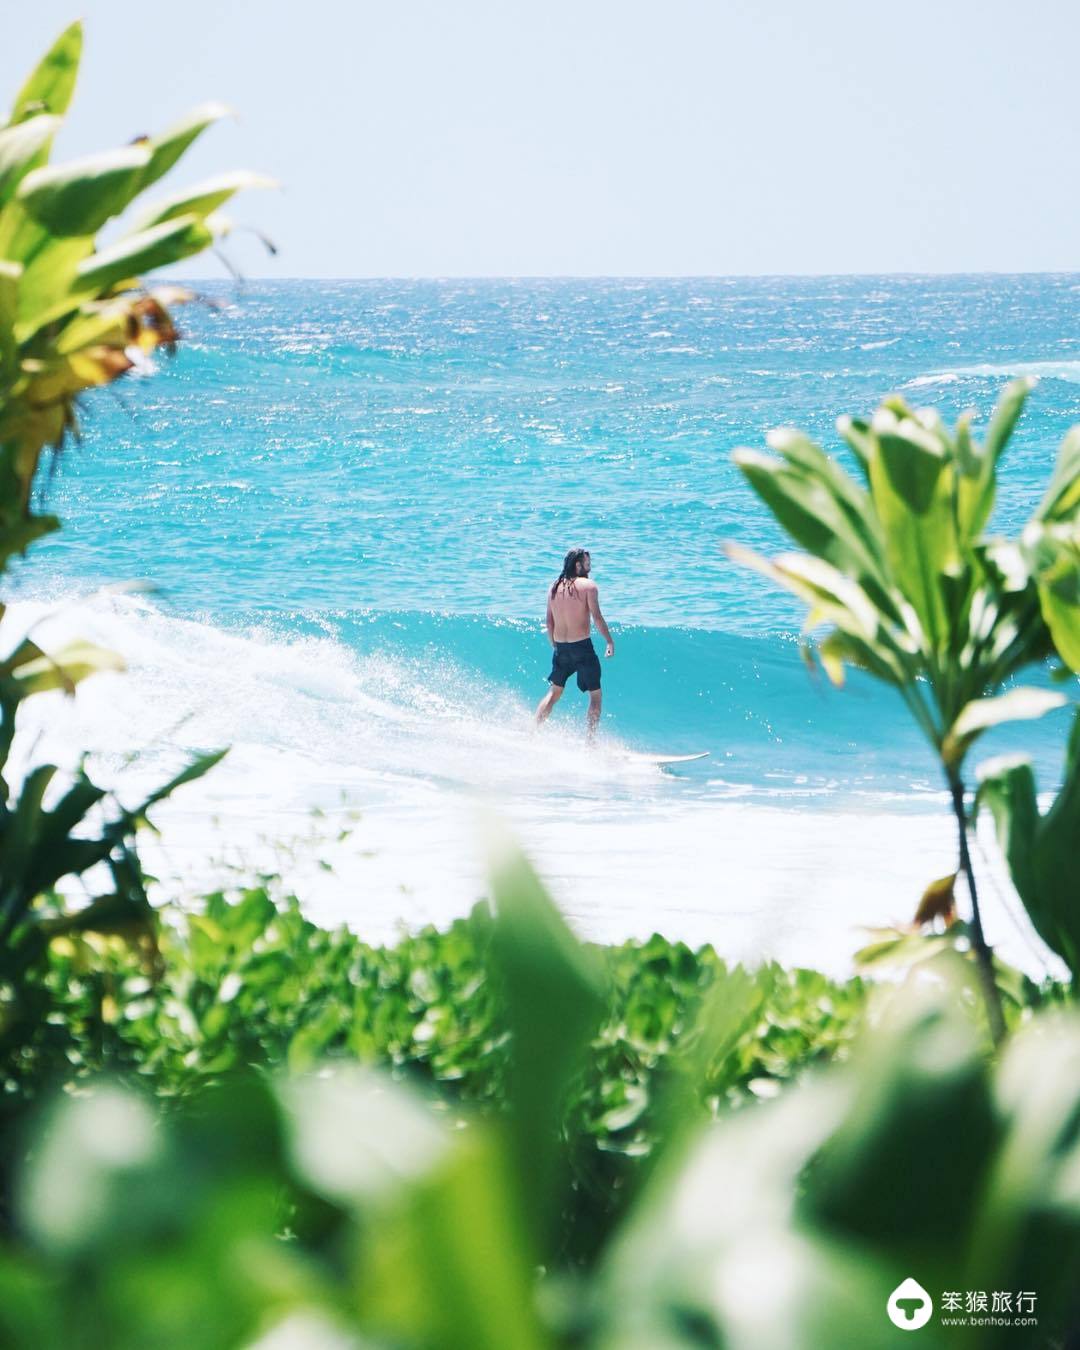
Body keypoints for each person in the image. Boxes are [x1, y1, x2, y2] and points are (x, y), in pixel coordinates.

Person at [534, 547, 615, 738]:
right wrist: (609, 641)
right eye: (587, 564)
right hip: (582, 647)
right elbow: (597, 617)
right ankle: (590, 742)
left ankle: (533, 731)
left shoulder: (554, 587)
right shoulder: (589, 586)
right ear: (578, 565)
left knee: (554, 693)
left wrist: (554, 645)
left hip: (561, 647)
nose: (590, 568)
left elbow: (549, 622)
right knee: (595, 696)